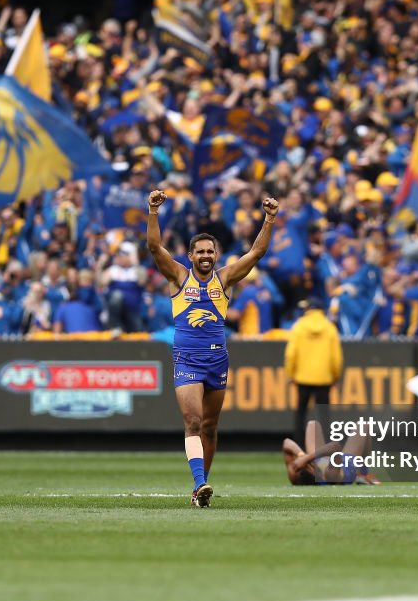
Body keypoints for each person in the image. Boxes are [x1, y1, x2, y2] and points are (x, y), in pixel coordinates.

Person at [146, 188, 279, 507]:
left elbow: (256, 253)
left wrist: (270, 218)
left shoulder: (225, 279)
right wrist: (153, 211)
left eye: (210, 252)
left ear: (216, 255)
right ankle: (200, 482)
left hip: (218, 359)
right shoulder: (178, 277)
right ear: (190, 256)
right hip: (187, 359)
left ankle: (199, 489)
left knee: (210, 426)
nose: (205, 256)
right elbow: (154, 246)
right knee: (192, 421)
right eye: (200, 252)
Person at [284, 297, 342, 444]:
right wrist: (335, 375)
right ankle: (325, 446)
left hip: (302, 377)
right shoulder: (330, 327)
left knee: (301, 414)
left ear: (310, 309)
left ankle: (299, 446)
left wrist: (290, 374)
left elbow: (291, 354)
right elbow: (336, 357)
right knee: (324, 415)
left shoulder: (299, 326)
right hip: (324, 378)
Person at [282, 420, 380, 486]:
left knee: (312, 424)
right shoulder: (330, 476)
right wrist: (306, 458)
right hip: (345, 464)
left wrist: (301, 455)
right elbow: (335, 447)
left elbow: (286, 442)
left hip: (323, 459)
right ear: (316, 473)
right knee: (363, 426)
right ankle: (363, 474)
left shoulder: (295, 475)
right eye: (311, 466)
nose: (310, 464)